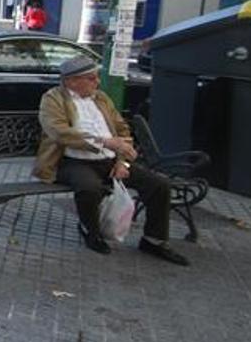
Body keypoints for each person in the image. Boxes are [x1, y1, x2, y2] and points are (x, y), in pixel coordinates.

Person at [34, 57, 189, 266]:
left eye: (96, 77)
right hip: (72, 161)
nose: (97, 81)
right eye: (91, 78)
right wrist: (106, 142)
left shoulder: (101, 99)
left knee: (159, 185)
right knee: (89, 188)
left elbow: (122, 130)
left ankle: (154, 240)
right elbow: (59, 132)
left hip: (110, 160)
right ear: (71, 81)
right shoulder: (53, 98)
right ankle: (91, 231)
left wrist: (122, 162)